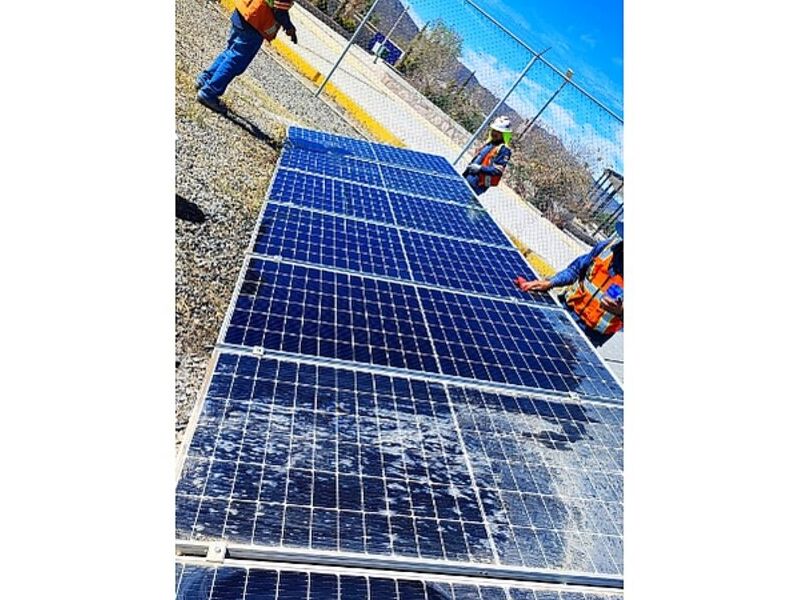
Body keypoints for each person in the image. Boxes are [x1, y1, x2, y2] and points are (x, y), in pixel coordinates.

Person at [515, 219, 624, 347]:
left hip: (590, 335)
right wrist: (550, 282)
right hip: (565, 310)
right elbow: (575, 269)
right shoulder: (606, 248)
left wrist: (621, 312)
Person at [196, 0, 298, 115]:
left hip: (243, 11)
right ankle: (210, 92)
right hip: (254, 22)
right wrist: (289, 28)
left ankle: (205, 79)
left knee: (231, 52)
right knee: (236, 61)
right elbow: (280, 11)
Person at [462, 116, 514, 195]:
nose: (494, 133)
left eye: (498, 132)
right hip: (467, 177)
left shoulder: (504, 150)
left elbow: (497, 170)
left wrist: (480, 169)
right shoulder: (489, 143)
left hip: (477, 184)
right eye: (494, 130)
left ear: (504, 134)